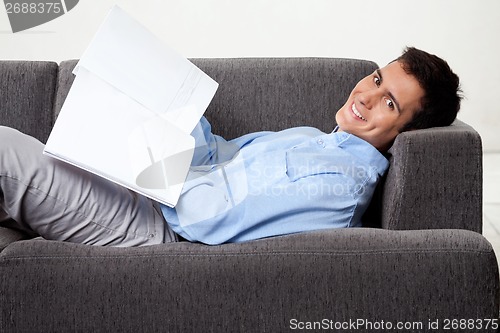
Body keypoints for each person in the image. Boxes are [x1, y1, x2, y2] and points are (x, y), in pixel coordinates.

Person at [0, 47, 461, 247]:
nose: (364, 96)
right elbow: (218, 154)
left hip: (157, 224)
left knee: (3, 151)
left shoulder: (340, 184)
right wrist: (173, 103)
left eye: (388, 103)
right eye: (377, 79)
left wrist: (151, 152)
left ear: (401, 133)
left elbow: (209, 218)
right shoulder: (311, 139)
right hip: (150, 189)